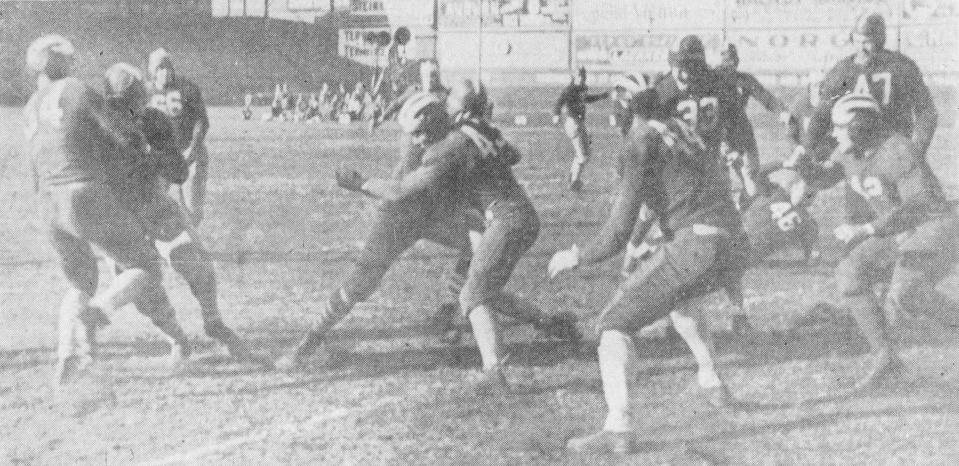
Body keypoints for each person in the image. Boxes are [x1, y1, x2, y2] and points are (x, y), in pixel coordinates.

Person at [276, 91, 579, 373]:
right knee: (361, 284)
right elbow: (400, 191)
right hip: (402, 214)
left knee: (476, 281)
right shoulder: (442, 134)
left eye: (422, 132)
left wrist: (360, 181)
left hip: (441, 210)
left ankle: (541, 323)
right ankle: (309, 342)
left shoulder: (449, 139)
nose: (418, 140)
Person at [549, 87, 748, 454]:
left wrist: (577, 256)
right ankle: (713, 381)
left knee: (612, 324)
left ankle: (618, 428)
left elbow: (617, 231)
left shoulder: (640, 141)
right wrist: (642, 241)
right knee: (682, 303)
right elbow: (667, 198)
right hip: (732, 241)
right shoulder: (681, 131)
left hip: (697, 244)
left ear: (625, 109)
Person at [23, 36, 188, 384]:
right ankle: (99, 311)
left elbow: (35, 166)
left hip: (46, 204)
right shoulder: (78, 90)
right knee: (144, 265)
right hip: (81, 193)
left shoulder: (30, 106)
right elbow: (126, 137)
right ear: (63, 62)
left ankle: (69, 357)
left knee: (79, 282)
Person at [103, 63, 258, 364]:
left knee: (194, 261)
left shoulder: (153, 121)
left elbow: (178, 171)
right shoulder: (99, 128)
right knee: (139, 289)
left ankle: (214, 322)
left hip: (153, 205)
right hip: (119, 216)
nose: (129, 108)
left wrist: (151, 159)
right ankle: (177, 340)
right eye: (121, 103)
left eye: (131, 99)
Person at [804, 93, 958, 389]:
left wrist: (867, 229)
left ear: (860, 127)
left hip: (935, 225)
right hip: (895, 229)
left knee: (906, 292)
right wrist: (802, 168)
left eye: (839, 126)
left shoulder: (897, 148)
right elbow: (823, 178)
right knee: (850, 274)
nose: (834, 132)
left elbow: (922, 203)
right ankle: (887, 360)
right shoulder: (851, 151)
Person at [715, 44, 792, 209]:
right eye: (725, 60)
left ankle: (751, 210)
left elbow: (765, 97)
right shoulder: (711, 80)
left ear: (737, 61)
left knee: (752, 176)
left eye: (732, 60)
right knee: (719, 182)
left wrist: (782, 112)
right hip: (719, 133)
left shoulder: (744, 79)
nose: (729, 64)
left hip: (742, 132)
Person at [147, 48, 210, 226]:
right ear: (152, 71)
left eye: (168, 67)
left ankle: (193, 246)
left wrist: (192, 149)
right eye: (160, 68)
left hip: (189, 151)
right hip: (161, 155)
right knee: (155, 204)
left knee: (192, 207)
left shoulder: (187, 88)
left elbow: (202, 121)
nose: (165, 72)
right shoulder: (144, 91)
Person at [552, 67, 610, 191]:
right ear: (574, 77)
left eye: (584, 76)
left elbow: (586, 99)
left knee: (586, 154)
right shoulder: (570, 89)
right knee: (583, 156)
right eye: (580, 76)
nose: (582, 78)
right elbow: (559, 102)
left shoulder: (583, 88)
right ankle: (574, 181)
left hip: (580, 123)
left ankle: (573, 177)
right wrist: (556, 115)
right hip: (573, 123)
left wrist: (601, 96)